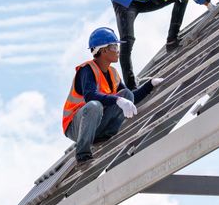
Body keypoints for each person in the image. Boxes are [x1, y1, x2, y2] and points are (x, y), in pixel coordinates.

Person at [62, 27, 162, 164]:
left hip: (97, 125)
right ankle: (82, 154)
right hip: (75, 125)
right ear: (103, 50)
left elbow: (130, 98)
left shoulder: (113, 73)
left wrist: (150, 85)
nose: (118, 50)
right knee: (94, 105)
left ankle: (104, 136)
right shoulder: (87, 70)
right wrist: (118, 100)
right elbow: (91, 96)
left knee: (126, 94)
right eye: (114, 47)